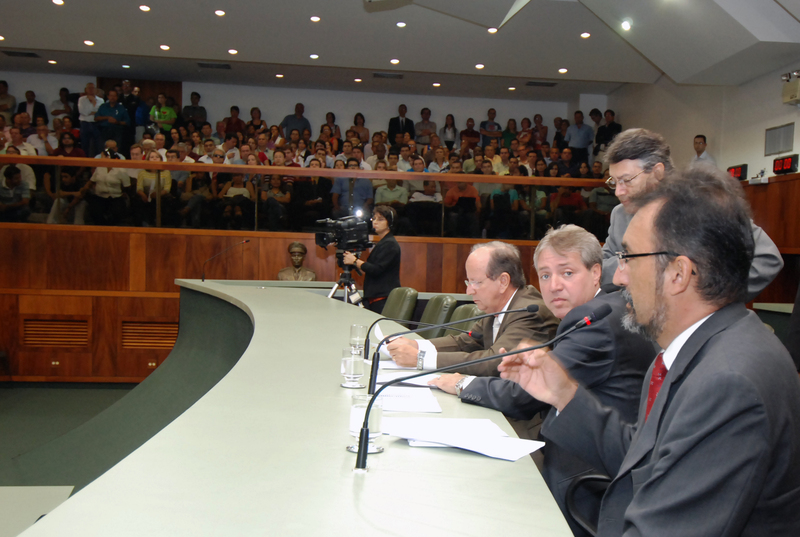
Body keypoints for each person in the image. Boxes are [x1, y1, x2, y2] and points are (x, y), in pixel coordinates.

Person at [500, 165, 800, 536]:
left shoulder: (728, 383)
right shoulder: (703, 347)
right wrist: (564, 393)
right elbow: (644, 458)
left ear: (678, 273)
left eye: (628, 258)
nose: (618, 276)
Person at [430, 225, 654, 537]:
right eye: (545, 275)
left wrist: (460, 384)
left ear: (595, 273)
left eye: (567, 273)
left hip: (586, 479)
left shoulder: (595, 320)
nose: (554, 286)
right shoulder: (602, 309)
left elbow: (523, 397)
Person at [601, 128, 782, 301]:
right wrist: (637, 264)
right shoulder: (620, 214)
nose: (618, 192)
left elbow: (767, 258)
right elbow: (601, 267)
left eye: (626, 180)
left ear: (657, 172)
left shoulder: (703, 206)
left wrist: (710, 301)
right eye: (614, 182)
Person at [387, 242, 558, 373]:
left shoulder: (529, 312)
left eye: (476, 282)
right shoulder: (497, 307)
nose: (469, 291)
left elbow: (495, 361)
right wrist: (416, 345)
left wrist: (421, 358)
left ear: (503, 281)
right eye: (468, 282)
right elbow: (465, 342)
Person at [342, 205, 401, 314]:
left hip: (383, 299)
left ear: (390, 222)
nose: (375, 222)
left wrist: (355, 261)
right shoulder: (384, 242)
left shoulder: (390, 244)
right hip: (376, 298)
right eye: (374, 219)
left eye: (380, 219)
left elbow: (376, 269)